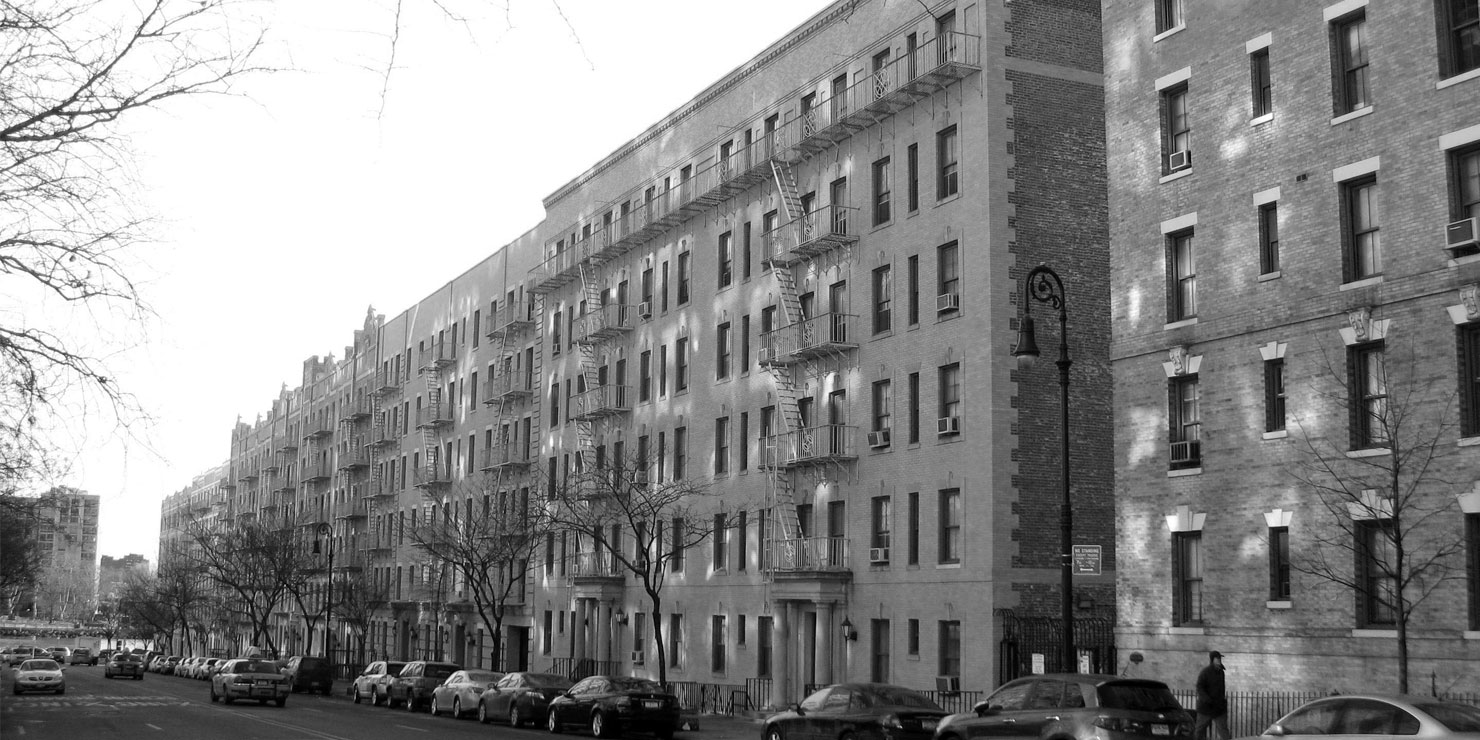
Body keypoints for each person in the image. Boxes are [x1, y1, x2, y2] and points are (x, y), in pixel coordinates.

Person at [1194, 651, 1230, 740]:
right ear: (1212, 659)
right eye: (1217, 658)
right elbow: (1199, 687)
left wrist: (1222, 702)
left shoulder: (1221, 672)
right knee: (1199, 730)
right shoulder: (1205, 672)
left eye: (1220, 658)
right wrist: (1206, 699)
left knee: (1223, 730)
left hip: (1219, 707)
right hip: (1206, 707)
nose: (1219, 660)